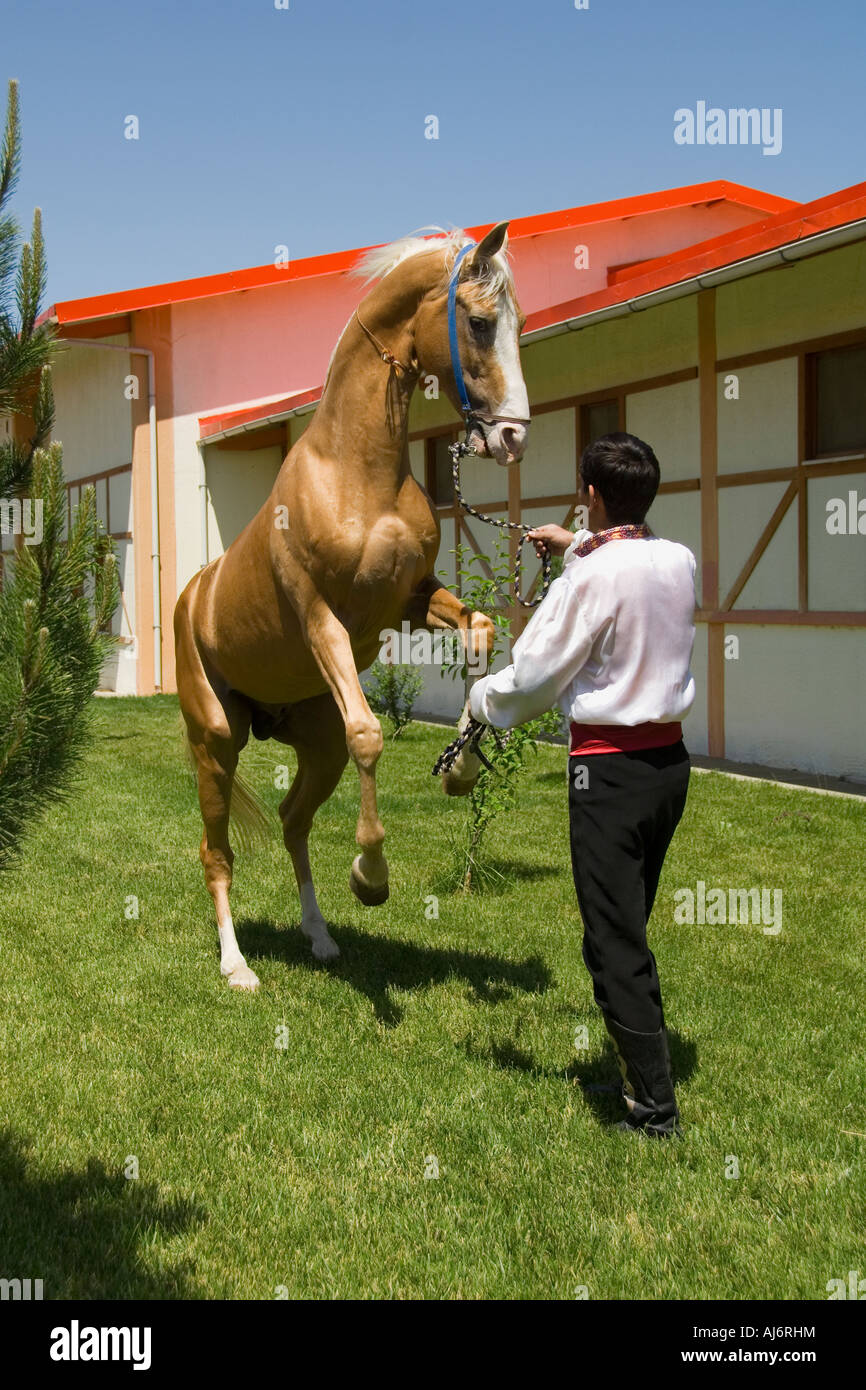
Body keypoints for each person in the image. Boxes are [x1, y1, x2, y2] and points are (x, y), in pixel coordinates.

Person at [468, 432, 697, 1137]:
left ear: (592, 493)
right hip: (669, 771)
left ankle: (655, 1111)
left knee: (614, 942)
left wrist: (481, 703)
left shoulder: (588, 578)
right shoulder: (679, 560)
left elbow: (535, 673)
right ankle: (639, 1075)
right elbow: (630, 565)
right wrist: (575, 544)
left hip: (609, 772)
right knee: (619, 931)